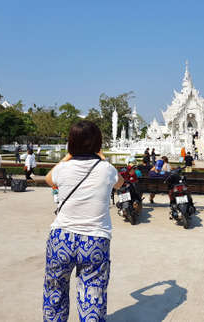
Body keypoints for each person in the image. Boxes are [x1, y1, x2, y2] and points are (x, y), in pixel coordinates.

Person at [43, 120, 123, 321]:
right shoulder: (107, 170)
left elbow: (48, 179)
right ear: (97, 143)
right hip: (95, 240)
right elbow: (120, 184)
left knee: (55, 291)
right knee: (93, 294)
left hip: (61, 238)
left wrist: (69, 154)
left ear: (71, 143)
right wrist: (102, 156)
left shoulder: (63, 169)